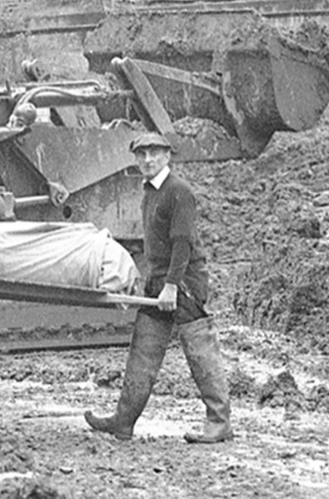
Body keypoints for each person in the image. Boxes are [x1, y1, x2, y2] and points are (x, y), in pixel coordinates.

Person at [84, 132, 232, 443]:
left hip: (184, 281)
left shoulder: (178, 192)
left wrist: (171, 287)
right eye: (141, 154)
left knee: (198, 346)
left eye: (154, 153)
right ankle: (124, 420)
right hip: (160, 278)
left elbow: (183, 244)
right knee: (145, 344)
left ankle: (219, 422)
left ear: (167, 156)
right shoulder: (150, 190)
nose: (147, 160)